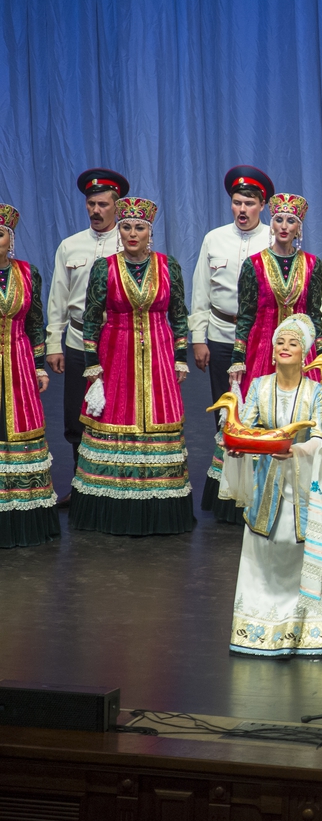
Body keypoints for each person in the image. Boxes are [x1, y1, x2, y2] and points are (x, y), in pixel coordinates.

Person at [69, 196, 194, 535]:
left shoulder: (169, 266)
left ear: (149, 231)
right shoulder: (104, 267)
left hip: (158, 355)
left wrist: (182, 355)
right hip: (116, 354)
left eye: (139, 227)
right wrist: (92, 366)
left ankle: (159, 509)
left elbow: (179, 315)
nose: (132, 233)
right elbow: (91, 319)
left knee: (159, 419)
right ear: (119, 230)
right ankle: (111, 508)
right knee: (115, 421)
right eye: (126, 226)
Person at [225, 314, 322, 656]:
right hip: (269, 483)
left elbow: (321, 435)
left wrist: (296, 450)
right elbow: (246, 426)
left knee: (301, 549)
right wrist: (252, 443)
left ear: (304, 352)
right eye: (280, 342)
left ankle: (306, 628)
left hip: (305, 484)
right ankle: (262, 623)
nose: (285, 348)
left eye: (293, 343)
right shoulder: (259, 386)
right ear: (272, 350)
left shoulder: (318, 392)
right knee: (268, 550)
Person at [194, 166, 274, 523]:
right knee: (225, 413)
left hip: (259, 339)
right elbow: (200, 291)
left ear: (263, 206)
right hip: (221, 335)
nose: (242, 209)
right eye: (237, 202)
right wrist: (198, 338)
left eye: (250, 203)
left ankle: (258, 488)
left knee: (256, 411)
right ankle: (226, 490)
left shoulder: (275, 237)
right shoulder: (214, 239)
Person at [47, 168, 129, 495]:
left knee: (116, 411)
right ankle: (82, 487)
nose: (96, 210)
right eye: (91, 204)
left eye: (103, 204)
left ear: (117, 206)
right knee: (77, 414)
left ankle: (116, 486)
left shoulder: (129, 244)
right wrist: (54, 343)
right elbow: (57, 299)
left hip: (116, 339)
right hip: (78, 340)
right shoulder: (70, 246)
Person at [0, 204, 58, 548]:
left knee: (20, 430)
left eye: (0, 233)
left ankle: (24, 518)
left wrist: (38, 365)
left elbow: (36, 322)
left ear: (11, 239)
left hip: (18, 361)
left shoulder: (27, 273)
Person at [228, 193, 322, 396]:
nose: (284, 226)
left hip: (303, 350)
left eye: (291, 221)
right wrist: (238, 358)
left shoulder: (312, 264)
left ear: (298, 228)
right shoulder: (253, 264)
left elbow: (314, 313)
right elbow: (245, 316)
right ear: (272, 225)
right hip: (263, 348)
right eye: (279, 220)